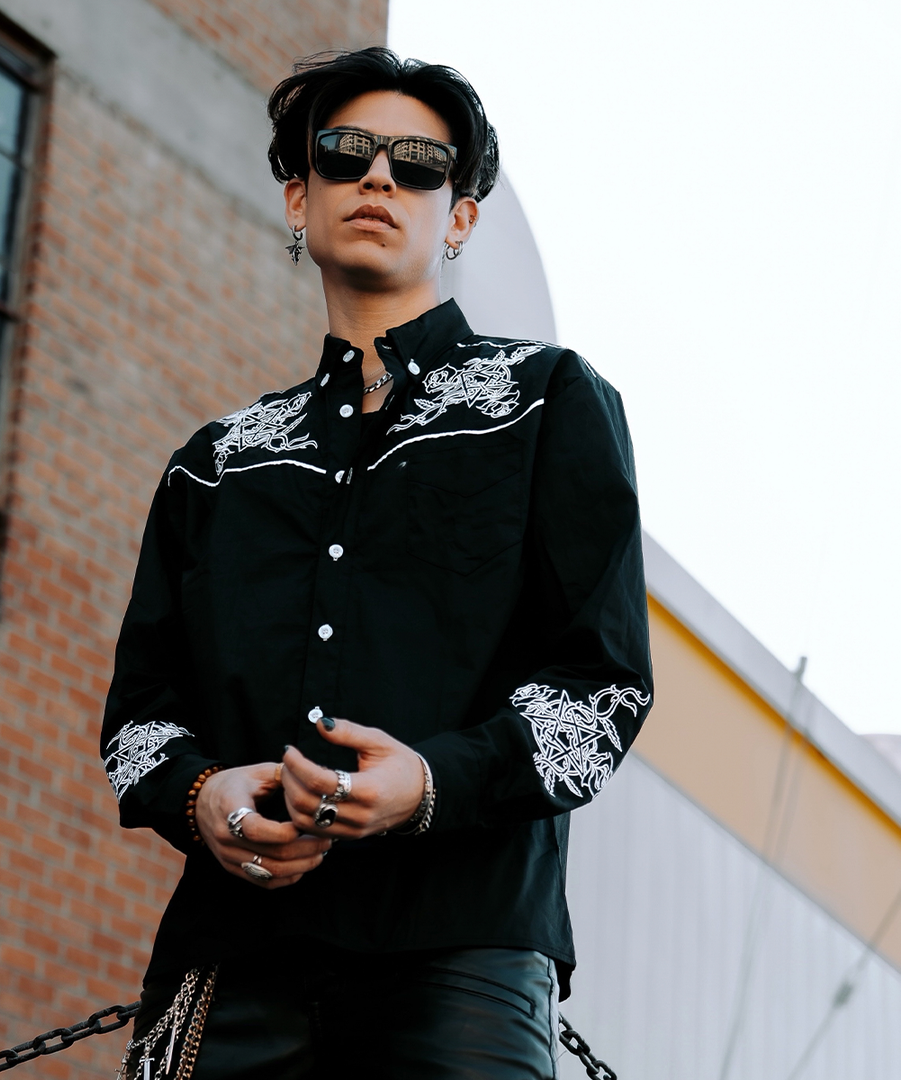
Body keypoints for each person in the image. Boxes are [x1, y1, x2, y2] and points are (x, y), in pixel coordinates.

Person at [102, 46, 652, 1080]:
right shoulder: (214, 464)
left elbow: (602, 690)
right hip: (229, 965)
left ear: (459, 217)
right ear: (298, 197)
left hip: (464, 960)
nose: (380, 179)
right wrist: (203, 797)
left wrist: (432, 783)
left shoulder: (551, 403)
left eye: (419, 164)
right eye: (347, 155)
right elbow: (137, 721)